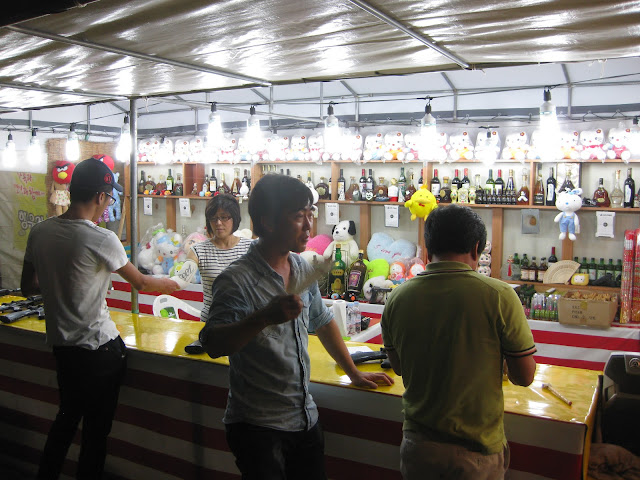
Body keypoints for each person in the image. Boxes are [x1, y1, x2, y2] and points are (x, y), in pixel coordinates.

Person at [200, 174, 394, 480]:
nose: (308, 226)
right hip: (258, 428)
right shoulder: (236, 280)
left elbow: (323, 321)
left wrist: (353, 373)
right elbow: (212, 343)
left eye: (310, 214)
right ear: (268, 222)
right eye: (298, 216)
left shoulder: (302, 266)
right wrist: (263, 317)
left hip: (304, 417)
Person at [20, 157, 179, 480]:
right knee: (95, 433)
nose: (108, 205)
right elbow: (141, 282)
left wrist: (60, 283)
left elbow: (28, 287)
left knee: (65, 421)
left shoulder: (40, 232)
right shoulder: (101, 238)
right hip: (98, 350)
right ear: (100, 196)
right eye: (109, 199)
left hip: (63, 349)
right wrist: (175, 283)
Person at [381, 204, 536, 480]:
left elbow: (400, 367)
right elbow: (524, 377)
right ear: (476, 249)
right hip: (476, 452)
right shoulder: (499, 295)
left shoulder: (397, 297)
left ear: (427, 249)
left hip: (418, 448)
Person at [172, 193, 252, 322]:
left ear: (235, 218)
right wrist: (146, 282)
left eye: (224, 217)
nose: (218, 223)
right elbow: (181, 280)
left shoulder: (251, 248)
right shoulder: (198, 250)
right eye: (213, 218)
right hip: (212, 322)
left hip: (245, 322)